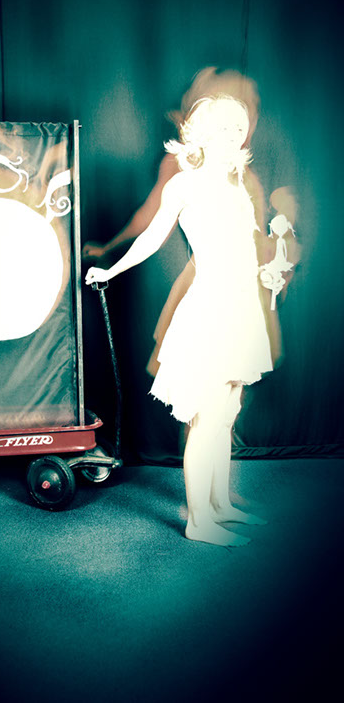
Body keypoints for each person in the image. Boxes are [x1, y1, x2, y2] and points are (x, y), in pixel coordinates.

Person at [86, 87, 290, 547]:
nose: (234, 135)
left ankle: (220, 505)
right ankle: (200, 522)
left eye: (239, 128)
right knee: (207, 416)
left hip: (242, 306)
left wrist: (268, 271)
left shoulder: (237, 185)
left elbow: (244, 249)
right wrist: (111, 269)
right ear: (202, 133)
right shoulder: (184, 184)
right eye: (224, 128)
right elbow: (153, 238)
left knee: (228, 412)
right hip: (211, 307)